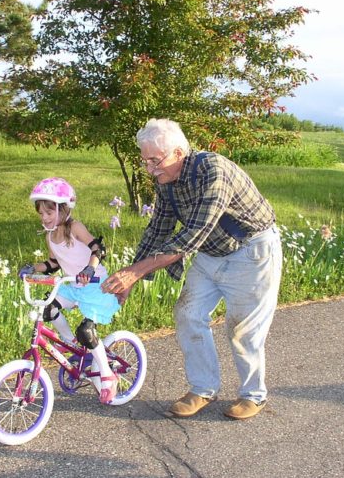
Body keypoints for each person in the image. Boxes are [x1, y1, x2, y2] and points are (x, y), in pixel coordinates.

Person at [101, 118, 282, 420]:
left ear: (178, 153)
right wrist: (132, 276)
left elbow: (193, 234)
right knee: (187, 313)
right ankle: (203, 389)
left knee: (243, 330)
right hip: (211, 253)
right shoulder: (166, 183)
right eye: (145, 161)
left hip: (251, 252)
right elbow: (158, 229)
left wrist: (137, 271)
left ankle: (253, 395)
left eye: (154, 161)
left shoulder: (214, 171)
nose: (149, 169)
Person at [19, 177, 121, 404]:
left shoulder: (75, 227)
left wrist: (89, 269)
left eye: (49, 212)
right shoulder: (50, 236)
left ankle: (106, 375)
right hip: (73, 286)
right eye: (41, 214)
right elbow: (53, 264)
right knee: (49, 310)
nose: (44, 218)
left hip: (95, 286)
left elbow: (98, 249)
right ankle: (71, 344)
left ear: (63, 209)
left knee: (87, 331)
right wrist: (32, 268)